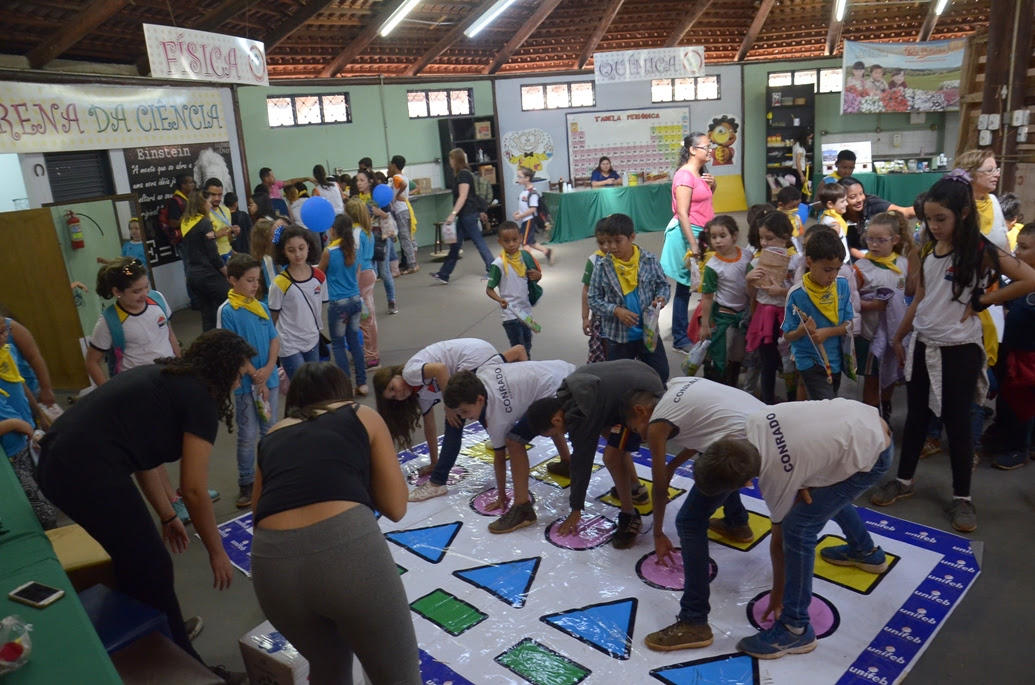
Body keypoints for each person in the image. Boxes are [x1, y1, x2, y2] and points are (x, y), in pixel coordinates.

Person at [38, 330, 256, 683]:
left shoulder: (168, 377)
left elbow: (141, 453)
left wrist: (167, 514)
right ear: (224, 369)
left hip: (62, 461)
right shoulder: (200, 397)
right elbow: (195, 490)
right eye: (239, 374)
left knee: (137, 561)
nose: (238, 383)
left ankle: (155, 632)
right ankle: (189, 667)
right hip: (81, 472)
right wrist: (218, 552)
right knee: (151, 564)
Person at [870, 174, 1035, 532]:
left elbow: (1029, 279)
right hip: (923, 343)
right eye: (929, 219)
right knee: (915, 417)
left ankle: (963, 498)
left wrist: (984, 299)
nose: (934, 226)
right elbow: (923, 297)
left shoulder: (979, 250)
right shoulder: (930, 249)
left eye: (940, 219)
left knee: (958, 424)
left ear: (962, 213)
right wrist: (900, 336)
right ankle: (904, 480)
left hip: (959, 348)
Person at [249, 362, 419, 684]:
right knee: (399, 678)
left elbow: (259, 514)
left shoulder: (272, 433)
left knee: (328, 669)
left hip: (272, 568)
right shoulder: (360, 414)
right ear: (341, 393)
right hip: (345, 549)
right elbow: (396, 507)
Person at [692, 399, 893, 659]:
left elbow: (780, 544)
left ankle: (794, 628)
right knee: (818, 498)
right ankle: (865, 552)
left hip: (872, 451)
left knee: (799, 527)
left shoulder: (777, 479)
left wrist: (777, 595)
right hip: (861, 420)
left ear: (746, 484)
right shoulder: (752, 422)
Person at [623, 378, 767, 651]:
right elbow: (706, 434)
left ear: (642, 412)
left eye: (635, 428)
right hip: (765, 429)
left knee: (689, 520)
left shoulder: (656, 427)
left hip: (744, 447)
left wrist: (658, 533)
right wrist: (674, 464)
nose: (640, 435)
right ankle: (737, 524)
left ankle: (694, 620)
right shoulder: (678, 384)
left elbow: (659, 486)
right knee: (715, 464)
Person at [524, 360, 665, 549]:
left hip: (643, 396)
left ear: (557, 420)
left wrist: (576, 509)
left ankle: (629, 515)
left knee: (611, 456)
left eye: (556, 433)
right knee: (610, 436)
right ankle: (635, 489)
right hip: (641, 372)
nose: (561, 435)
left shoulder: (581, 414)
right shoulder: (569, 394)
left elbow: (582, 461)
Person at [374, 339, 528, 498]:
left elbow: (440, 369)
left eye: (393, 388)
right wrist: (434, 462)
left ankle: (438, 482)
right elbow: (430, 426)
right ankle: (502, 441)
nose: (398, 394)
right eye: (393, 397)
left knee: (456, 417)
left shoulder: (409, 373)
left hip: (473, 355)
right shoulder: (419, 393)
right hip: (475, 354)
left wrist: (449, 405)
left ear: (395, 375)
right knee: (476, 408)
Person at [442, 360, 575, 534]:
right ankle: (568, 464)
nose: (465, 417)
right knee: (541, 421)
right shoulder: (480, 374)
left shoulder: (497, 416)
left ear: (480, 400)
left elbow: (500, 457)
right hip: (564, 370)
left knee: (514, 441)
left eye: (465, 412)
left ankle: (522, 508)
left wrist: (502, 495)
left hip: (558, 388)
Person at [216, 255, 280, 509]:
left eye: (257, 280)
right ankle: (246, 482)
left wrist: (269, 368)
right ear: (233, 280)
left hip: (268, 381)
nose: (255, 285)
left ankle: (272, 475)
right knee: (248, 434)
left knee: (269, 430)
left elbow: (274, 339)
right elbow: (233, 348)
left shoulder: (261, 306)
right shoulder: (228, 311)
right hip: (245, 385)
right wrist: (255, 374)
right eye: (249, 280)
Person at [589, 213, 671, 382]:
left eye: (617, 241)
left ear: (632, 237)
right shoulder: (602, 267)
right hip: (618, 338)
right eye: (608, 241)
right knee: (619, 380)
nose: (611, 246)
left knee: (660, 374)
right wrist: (616, 310)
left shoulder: (649, 260)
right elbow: (593, 299)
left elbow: (663, 285)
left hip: (648, 333)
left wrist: (661, 298)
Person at [853, 211, 917, 418]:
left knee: (891, 375)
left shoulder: (902, 264)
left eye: (881, 240)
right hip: (870, 334)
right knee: (872, 378)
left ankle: (885, 408)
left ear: (895, 240)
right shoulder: (861, 268)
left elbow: (906, 294)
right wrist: (872, 305)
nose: (874, 245)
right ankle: (870, 415)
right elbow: (850, 302)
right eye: (870, 239)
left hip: (895, 334)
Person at [661, 132, 717, 351]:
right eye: (706, 147)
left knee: (704, 284)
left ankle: (701, 328)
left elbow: (704, 202)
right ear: (693, 150)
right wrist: (693, 244)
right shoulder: (685, 176)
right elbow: (683, 213)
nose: (710, 150)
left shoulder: (700, 172)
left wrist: (712, 186)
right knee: (685, 286)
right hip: (687, 235)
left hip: (702, 233)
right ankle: (680, 338)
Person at [784, 229, 853, 400]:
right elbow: (787, 334)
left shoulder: (842, 286)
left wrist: (828, 332)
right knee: (826, 403)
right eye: (827, 269)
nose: (833, 275)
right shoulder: (797, 294)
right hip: (810, 361)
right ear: (809, 262)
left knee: (828, 402)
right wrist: (801, 331)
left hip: (835, 359)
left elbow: (849, 323)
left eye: (837, 269)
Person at [0, 319, 57, 529]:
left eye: (4, 331)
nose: (4, 336)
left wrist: (38, 413)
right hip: (10, 452)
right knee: (42, 514)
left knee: (43, 480)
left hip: (26, 436)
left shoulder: (7, 352)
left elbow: (19, 384)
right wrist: (16, 424)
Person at [86, 257, 178, 385]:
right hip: (137, 385)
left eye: (146, 287)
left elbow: (170, 336)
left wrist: (182, 367)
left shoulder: (158, 299)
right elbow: (92, 362)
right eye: (137, 291)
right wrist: (111, 394)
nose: (145, 294)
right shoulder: (109, 320)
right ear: (117, 291)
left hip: (169, 374)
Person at [746, 211, 802, 404]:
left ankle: (794, 401)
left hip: (789, 316)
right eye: (761, 238)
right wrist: (748, 281)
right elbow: (754, 297)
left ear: (786, 236)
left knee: (791, 363)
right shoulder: (756, 262)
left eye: (769, 238)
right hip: (765, 316)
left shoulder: (796, 261)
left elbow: (802, 292)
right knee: (767, 363)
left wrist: (781, 291)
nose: (764, 243)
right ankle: (767, 402)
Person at [992, 223, 1035, 469]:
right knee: (1007, 397)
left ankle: (1019, 448)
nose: (1017, 251)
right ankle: (1004, 433)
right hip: (1009, 349)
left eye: (1025, 247)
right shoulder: (1018, 278)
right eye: (1018, 244)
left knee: (1024, 403)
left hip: (1028, 356)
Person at [269, 224, 328, 380]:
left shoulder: (320, 276)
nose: (298, 254)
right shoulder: (279, 283)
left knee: (314, 383)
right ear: (283, 251)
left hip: (312, 338)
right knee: (300, 386)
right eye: (291, 250)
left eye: (301, 248)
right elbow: (272, 317)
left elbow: (319, 305)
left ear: (308, 246)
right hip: (289, 343)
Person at [699, 215, 752, 385]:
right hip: (724, 317)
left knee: (737, 356)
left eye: (723, 236)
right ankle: (717, 386)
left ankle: (733, 384)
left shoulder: (747, 255)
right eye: (713, 237)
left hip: (744, 316)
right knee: (720, 356)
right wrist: (705, 325)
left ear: (734, 236)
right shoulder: (712, 266)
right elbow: (707, 297)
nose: (718, 241)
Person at [318, 216, 367, 395]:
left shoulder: (329, 252)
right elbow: (357, 273)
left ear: (334, 231)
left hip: (338, 303)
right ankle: (362, 383)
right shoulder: (355, 249)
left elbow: (319, 274)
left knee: (338, 344)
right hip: (355, 300)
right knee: (354, 341)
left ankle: (345, 386)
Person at [431, 148, 495, 283]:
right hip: (466, 214)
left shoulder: (463, 175)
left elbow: (463, 196)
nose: (449, 162)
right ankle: (444, 274)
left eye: (450, 159)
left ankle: (493, 270)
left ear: (455, 159)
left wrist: (452, 214)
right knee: (455, 245)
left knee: (479, 242)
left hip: (468, 215)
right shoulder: (463, 174)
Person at [487, 221, 542, 358]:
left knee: (527, 345)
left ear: (521, 238)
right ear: (499, 241)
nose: (511, 244)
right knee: (518, 347)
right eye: (506, 241)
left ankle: (525, 368)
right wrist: (500, 299)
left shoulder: (525, 258)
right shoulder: (498, 264)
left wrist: (538, 276)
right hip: (510, 314)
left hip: (526, 311)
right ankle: (522, 371)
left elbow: (533, 278)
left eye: (514, 240)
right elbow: (489, 289)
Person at [181, 190, 230, 332]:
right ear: (202, 203)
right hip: (207, 273)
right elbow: (213, 254)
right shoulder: (205, 223)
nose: (210, 205)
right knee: (229, 303)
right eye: (208, 202)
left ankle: (210, 345)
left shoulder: (186, 222)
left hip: (192, 275)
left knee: (208, 314)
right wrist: (225, 272)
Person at [355, 169, 398, 315]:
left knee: (384, 272)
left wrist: (381, 213)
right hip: (366, 238)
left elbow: (389, 216)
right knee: (369, 272)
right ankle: (368, 304)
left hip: (381, 237)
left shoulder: (378, 195)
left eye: (361, 180)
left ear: (370, 181)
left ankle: (392, 301)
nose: (358, 183)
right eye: (357, 180)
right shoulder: (358, 199)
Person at [347, 198, 381, 369]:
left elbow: (357, 260)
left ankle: (371, 356)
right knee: (366, 316)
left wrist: (352, 281)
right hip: (369, 273)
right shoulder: (366, 231)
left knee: (365, 318)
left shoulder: (355, 233)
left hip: (361, 277)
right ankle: (367, 352)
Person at [955, 150, 1010, 251]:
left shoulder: (993, 201)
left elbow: (1005, 242)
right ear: (969, 174)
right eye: (989, 171)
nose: (997, 175)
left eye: (997, 170)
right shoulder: (955, 205)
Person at [162, 173, 199, 310]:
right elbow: (172, 222)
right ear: (183, 185)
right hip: (184, 242)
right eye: (190, 182)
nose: (193, 184)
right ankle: (195, 301)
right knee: (189, 270)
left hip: (192, 240)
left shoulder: (189, 199)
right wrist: (190, 221)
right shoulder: (175, 201)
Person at [512, 166, 554, 265]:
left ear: (527, 178)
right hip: (525, 220)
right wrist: (519, 212)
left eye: (520, 176)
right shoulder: (525, 191)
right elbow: (525, 206)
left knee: (525, 242)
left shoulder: (533, 193)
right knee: (530, 241)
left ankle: (528, 263)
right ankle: (547, 251)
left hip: (529, 220)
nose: (518, 178)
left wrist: (520, 215)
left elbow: (532, 209)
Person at [581, 227, 610, 364]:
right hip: (599, 318)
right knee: (602, 352)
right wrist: (585, 317)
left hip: (621, 317)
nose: (605, 247)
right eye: (600, 242)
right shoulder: (593, 260)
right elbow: (586, 290)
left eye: (608, 242)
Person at [386, 156, 419, 274]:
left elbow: (403, 185)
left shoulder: (396, 177)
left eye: (390, 164)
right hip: (406, 209)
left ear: (394, 165)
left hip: (401, 211)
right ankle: (414, 262)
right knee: (409, 237)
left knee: (405, 238)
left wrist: (396, 195)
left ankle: (411, 265)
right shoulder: (404, 176)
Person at [204, 178, 237, 263]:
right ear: (205, 194)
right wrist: (217, 234)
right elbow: (199, 240)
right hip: (212, 257)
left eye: (220, 195)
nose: (217, 198)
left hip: (228, 253)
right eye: (213, 194)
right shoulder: (202, 213)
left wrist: (234, 234)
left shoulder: (226, 210)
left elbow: (229, 240)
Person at [817, 182, 851, 261]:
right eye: (842, 201)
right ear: (830, 204)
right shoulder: (830, 221)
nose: (846, 203)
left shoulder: (833, 217)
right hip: (840, 260)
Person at [250, 218, 277, 302]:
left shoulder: (266, 256)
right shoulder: (267, 260)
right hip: (271, 304)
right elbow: (274, 288)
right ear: (266, 238)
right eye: (275, 234)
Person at [776, 185, 805, 252]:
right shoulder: (776, 220)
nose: (796, 209)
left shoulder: (796, 217)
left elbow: (799, 233)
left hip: (796, 247)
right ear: (781, 205)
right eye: (792, 207)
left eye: (798, 206)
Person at [791, 129, 812, 199]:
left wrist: (805, 162)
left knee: (803, 189)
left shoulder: (798, 145)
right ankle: (802, 204)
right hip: (799, 170)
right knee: (801, 190)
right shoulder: (799, 147)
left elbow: (800, 159)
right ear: (804, 137)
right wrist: (802, 176)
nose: (809, 140)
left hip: (800, 169)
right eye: (809, 138)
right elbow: (798, 162)